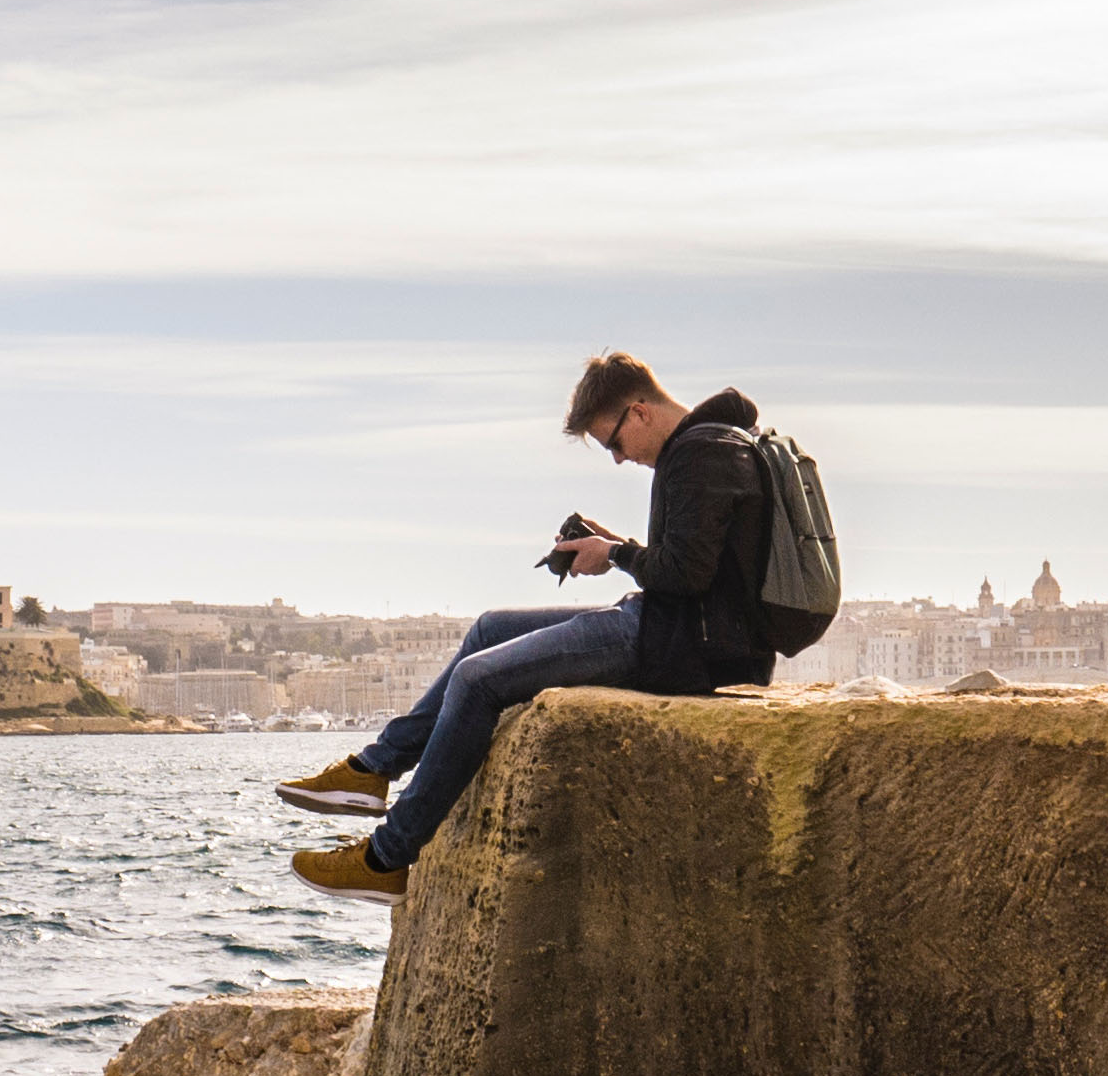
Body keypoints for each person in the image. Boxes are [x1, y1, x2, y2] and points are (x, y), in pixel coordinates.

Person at [280, 353, 780, 902]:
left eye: (612, 442)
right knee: (489, 628)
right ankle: (372, 769)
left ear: (638, 412)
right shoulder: (712, 445)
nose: (617, 459)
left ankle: (386, 859)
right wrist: (614, 545)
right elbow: (696, 562)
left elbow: (686, 574)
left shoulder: (701, 453)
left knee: (478, 679)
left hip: (685, 644)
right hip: (673, 624)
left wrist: (613, 553)